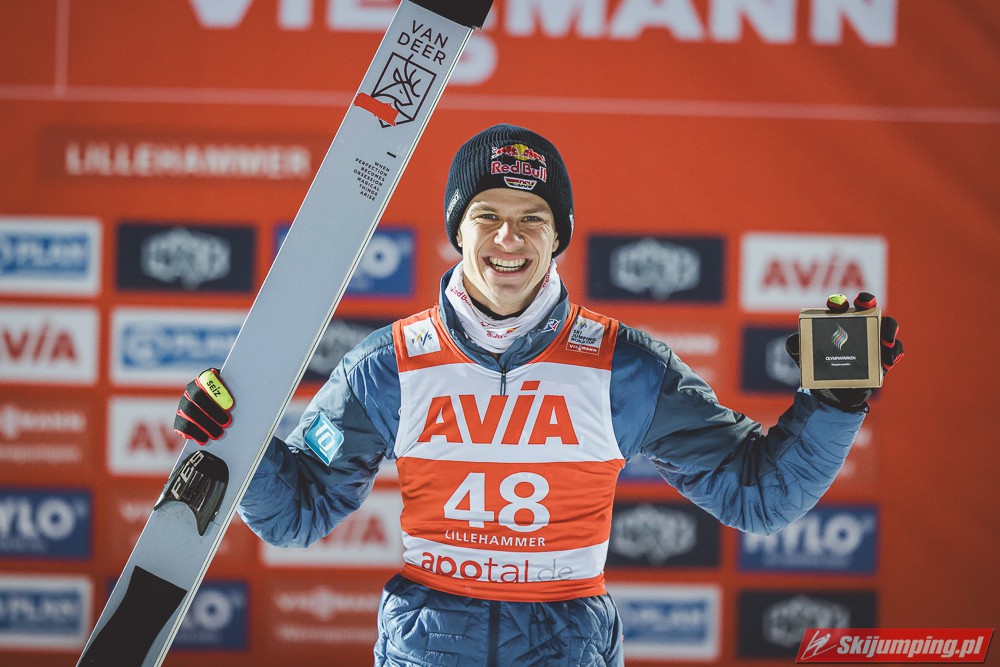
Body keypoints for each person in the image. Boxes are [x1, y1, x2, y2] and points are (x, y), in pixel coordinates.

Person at [174, 124, 904, 666]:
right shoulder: (388, 365)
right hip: (429, 649)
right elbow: (297, 511)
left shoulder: (624, 367)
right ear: (457, 229)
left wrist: (833, 402)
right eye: (487, 216)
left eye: (533, 219)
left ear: (559, 237)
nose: (509, 238)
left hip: (565, 646)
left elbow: (761, 494)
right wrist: (231, 437)